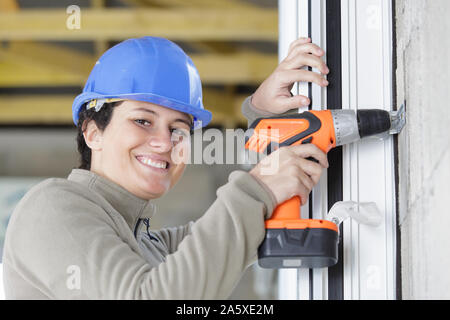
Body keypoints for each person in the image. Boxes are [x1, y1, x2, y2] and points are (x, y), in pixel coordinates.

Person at [2, 36, 330, 299]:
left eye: (178, 130)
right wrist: (258, 188)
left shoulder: (148, 245)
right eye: (143, 120)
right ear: (93, 132)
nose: (164, 142)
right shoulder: (52, 207)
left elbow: (224, 237)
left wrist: (263, 120)